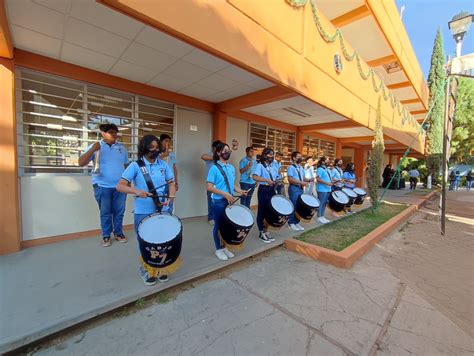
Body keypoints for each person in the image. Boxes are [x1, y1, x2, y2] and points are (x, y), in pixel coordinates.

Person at [116, 135, 175, 285]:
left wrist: (171, 196)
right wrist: (137, 191)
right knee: (145, 241)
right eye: (151, 147)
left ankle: (160, 268)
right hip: (143, 211)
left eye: (157, 147)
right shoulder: (135, 166)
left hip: (162, 209)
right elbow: (120, 186)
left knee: (163, 239)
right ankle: (146, 270)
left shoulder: (163, 165)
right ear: (144, 148)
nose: (155, 150)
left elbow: (171, 184)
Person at [79, 123, 129, 247]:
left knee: (119, 211)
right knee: (105, 212)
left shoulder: (122, 148)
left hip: (120, 186)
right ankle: (106, 235)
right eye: (111, 132)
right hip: (102, 186)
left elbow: (126, 166)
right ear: (103, 134)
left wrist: (128, 182)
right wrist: (92, 149)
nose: (114, 134)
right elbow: (81, 163)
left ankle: (118, 233)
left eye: (116, 132)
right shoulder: (96, 146)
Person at [207, 142, 248, 260]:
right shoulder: (214, 168)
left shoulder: (231, 167)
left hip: (230, 201)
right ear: (218, 152)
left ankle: (225, 247)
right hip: (219, 202)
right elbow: (209, 187)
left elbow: (232, 184)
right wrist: (224, 194)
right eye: (225, 150)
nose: (227, 152)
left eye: (228, 150)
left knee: (227, 226)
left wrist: (240, 191)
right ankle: (218, 249)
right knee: (219, 226)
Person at [252, 147, 279, 243]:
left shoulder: (274, 166)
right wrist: (267, 180)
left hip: (272, 190)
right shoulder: (260, 165)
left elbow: (276, 177)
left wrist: (278, 181)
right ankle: (261, 232)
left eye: (272, 154)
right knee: (262, 211)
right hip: (264, 190)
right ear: (265, 155)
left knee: (269, 211)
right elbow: (254, 177)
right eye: (270, 154)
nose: (271, 156)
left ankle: (266, 231)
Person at [201, 140, 222, 225]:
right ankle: (211, 217)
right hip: (211, 183)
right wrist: (215, 157)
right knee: (211, 200)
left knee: (220, 200)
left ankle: (218, 216)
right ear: (214, 148)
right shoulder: (210, 154)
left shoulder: (222, 155)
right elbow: (203, 157)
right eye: (219, 148)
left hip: (220, 182)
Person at [287, 151, 309, 231]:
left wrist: (309, 180)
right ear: (294, 158)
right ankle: (291, 223)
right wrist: (301, 182)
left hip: (300, 188)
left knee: (299, 206)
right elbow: (290, 179)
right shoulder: (291, 167)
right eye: (298, 156)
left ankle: (296, 222)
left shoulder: (301, 167)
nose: (300, 158)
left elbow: (303, 178)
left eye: (301, 156)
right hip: (294, 188)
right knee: (293, 205)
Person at [160, 134, 178, 212]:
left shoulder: (172, 154)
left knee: (170, 203)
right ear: (161, 142)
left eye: (169, 141)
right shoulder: (157, 153)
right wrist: (165, 153)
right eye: (166, 141)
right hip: (161, 182)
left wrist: (176, 182)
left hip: (171, 182)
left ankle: (169, 220)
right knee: (161, 203)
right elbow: (159, 159)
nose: (168, 143)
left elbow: (174, 167)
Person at [316, 156, 332, 224]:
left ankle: (322, 216)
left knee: (324, 203)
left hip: (328, 189)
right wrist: (327, 183)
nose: (328, 161)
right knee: (321, 203)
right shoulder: (320, 169)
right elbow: (318, 179)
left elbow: (329, 178)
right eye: (327, 160)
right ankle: (319, 217)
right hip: (322, 189)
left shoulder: (327, 169)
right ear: (323, 162)